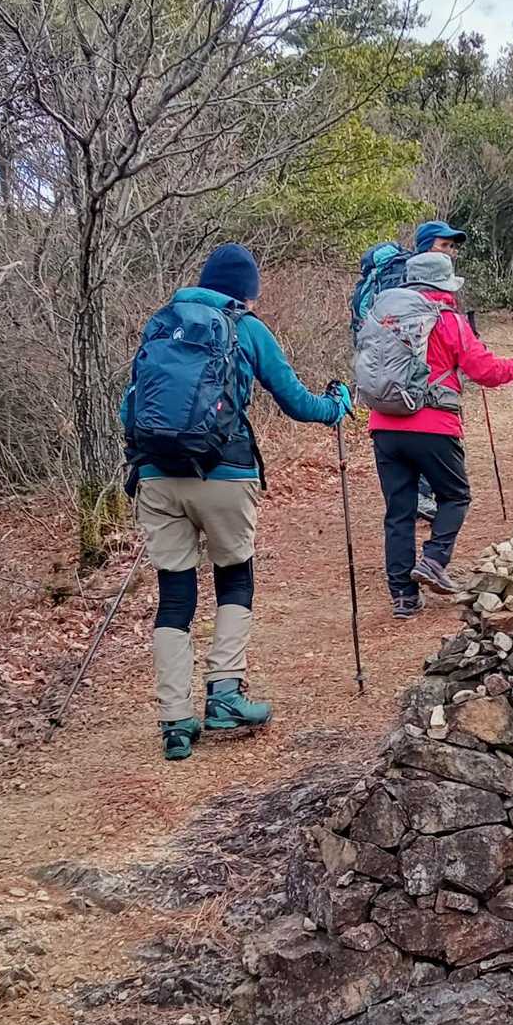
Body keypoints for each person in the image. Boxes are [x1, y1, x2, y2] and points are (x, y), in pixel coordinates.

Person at [122, 243, 352, 762]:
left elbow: (128, 408)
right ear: (247, 292)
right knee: (234, 576)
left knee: (174, 596)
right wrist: (336, 406)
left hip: (156, 475)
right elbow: (296, 401)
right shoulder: (245, 327)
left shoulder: (162, 324)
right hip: (226, 472)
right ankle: (225, 693)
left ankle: (175, 721)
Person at [365, 249, 513, 617]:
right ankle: (434, 559)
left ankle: (403, 598)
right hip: (434, 426)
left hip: (384, 425)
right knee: (455, 496)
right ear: (444, 285)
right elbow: (484, 370)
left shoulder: (383, 316)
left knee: (399, 512)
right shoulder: (448, 319)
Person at [349, 220, 468, 522]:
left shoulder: (398, 286)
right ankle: (423, 499)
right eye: (444, 245)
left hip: (384, 396)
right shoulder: (415, 285)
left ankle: (414, 501)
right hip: (418, 386)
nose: (451, 252)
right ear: (426, 247)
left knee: (400, 499)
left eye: (452, 246)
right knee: (426, 431)